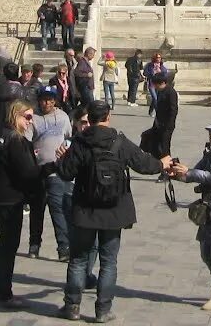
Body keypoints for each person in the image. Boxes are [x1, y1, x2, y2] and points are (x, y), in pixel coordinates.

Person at [55, 100, 165, 323]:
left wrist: (61, 159)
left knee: (78, 260)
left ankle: (72, 306)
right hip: (114, 210)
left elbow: (65, 173)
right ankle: (103, 310)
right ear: (108, 116)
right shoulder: (119, 141)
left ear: (90, 118)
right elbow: (144, 164)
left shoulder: (80, 142)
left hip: (85, 210)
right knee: (109, 261)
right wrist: (162, 163)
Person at [166, 117, 211, 310]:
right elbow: (197, 171)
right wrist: (178, 173)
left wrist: (189, 172)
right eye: (210, 130)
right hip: (208, 209)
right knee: (205, 253)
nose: (210, 133)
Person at [0, 98, 41, 308]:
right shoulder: (15, 140)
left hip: (0, 196)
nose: (30, 121)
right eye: (27, 117)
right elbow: (27, 172)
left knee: (4, 245)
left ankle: (0, 290)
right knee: (9, 245)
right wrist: (45, 167)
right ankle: (3, 292)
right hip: (11, 197)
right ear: (15, 115)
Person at [30, 87, 74, 261]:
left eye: (50, 99)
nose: (46, 103)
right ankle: (34, 243)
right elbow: (26, 140)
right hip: (37, 170)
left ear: (55, 100)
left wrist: (66, 148)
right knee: (37, 210)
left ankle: (63, 246)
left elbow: (70, 137)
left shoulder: (63, 117)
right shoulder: (33, 118)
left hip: (56, 170)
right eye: (43, 99)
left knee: (58, 208)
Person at [140, 70, 178, 160]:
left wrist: (169, 124)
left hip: (167, 125)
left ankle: (168, 166)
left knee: (164, 146)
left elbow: (173, 110)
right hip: (158, 123)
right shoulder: (160, 91)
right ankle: (155, 160)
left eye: (156, 85)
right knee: (148, 137)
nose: (155, 87)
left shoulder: (171, 92)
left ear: (162, 83)